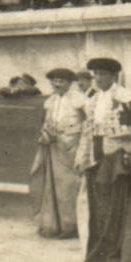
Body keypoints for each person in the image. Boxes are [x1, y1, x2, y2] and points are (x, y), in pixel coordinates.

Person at [77, 57, 131, 262]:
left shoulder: (125, 97)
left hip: (119, 161)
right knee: (103, 211)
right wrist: (82, 156)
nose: (97, 78)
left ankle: (127, 257)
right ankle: (107, 256)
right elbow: (88, 131)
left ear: (114, 76)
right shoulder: (92, 100)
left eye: (102, 74)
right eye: (95, 74)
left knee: (125, 209)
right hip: (98, 161)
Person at [31, 67, 86, 240]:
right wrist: (46, 133)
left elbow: (88, 124)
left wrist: (68, 135)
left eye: (61, 81)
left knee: (70, 187)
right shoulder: (51, 101)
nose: (57, 84)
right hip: (54, 148)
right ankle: (54, 225)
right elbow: (47, 122)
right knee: (52, 185)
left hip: (72, 148)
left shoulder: (79, 99)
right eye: (54, 81)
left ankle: (73, 226)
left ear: (70, 83)